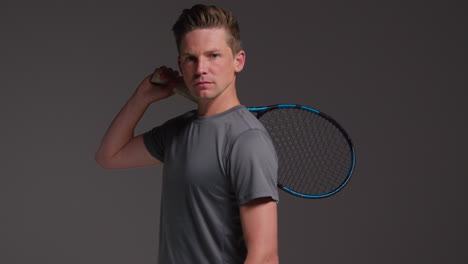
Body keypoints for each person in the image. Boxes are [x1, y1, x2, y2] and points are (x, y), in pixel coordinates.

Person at [95, 4, 279, 264]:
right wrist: (141, 98)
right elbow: (109, 157)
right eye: (191, 58)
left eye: (213, 55)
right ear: (180, 65)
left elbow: (265, 256)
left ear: (238, 61)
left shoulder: (246, 140)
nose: (201, 68)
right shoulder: (177, 131)